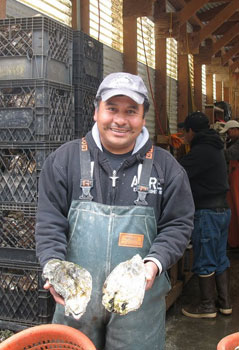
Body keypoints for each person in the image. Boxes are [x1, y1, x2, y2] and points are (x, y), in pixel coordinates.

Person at [35, 72, 194, 350]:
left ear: (142, 118)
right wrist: (52, 264)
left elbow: (178, 224)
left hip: (139, 308)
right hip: (76, 305)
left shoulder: (166, 168)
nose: (120, 120)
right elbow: (49, 222)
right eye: (112, 109)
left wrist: (154, 264)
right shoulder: (64, 160)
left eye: (131, 111)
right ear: (96, 111)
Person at [178, 111, 232, 319]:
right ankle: (224, 303)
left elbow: (179, 171)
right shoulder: (215, 146)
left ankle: (207, 306)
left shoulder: (201, 151)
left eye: (184, 132)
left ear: (191, 131)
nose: (184, 135)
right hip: (222, 210)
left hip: (208, 212)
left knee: (205, 258)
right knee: (219, 257)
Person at [220, 120, 239, 248]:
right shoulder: (233, 142)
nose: (228, 134)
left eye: (229, 131)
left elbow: (229, 154)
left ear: (235, 129)